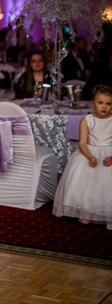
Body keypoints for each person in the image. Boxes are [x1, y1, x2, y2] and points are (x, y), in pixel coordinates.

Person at [53, 85, 112, 230]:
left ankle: (108, 215)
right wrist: (89, 156)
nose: (104, 106)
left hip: (109, 152)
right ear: (93, 103)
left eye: (108, 103)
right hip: (90, 151)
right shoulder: (87, 120)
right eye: (100, 103)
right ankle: (87, 212)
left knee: (106, 183)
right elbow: (82, 143)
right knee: (88, 180)